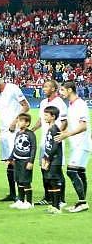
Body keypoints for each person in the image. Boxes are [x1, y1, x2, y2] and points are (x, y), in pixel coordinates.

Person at [0, 76, 30, 202]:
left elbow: (26, 106)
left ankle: (22, 193)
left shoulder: (12, 88)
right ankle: (12, 193)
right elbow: (1, 114)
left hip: (14, 130)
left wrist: (15, 122)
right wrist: (0, 131)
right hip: (5, 131)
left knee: (16, 161)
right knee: (9, 162)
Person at [54, 81, 91, 213]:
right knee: (80, 172)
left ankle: (83, 202)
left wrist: (66, 134)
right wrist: (63, 133)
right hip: (77, 144)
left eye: (62, 90)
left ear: (70, 90)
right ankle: (81, 202)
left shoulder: (80, 104)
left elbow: (83, 126)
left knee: (71, 171)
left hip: (82, 143)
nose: (60, 92)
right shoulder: (71, 105)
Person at [31, 80, 67, 206]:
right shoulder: (43, 102)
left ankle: (61, 199)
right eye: (43, 86)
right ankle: (48, 197)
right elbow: (41, 120)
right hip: (44, 141)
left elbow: (64, 121)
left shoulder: (59, 102)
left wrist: (57, 136)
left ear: (53, 89)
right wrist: (32, 130)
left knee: (56, 170)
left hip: (55, 141)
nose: (44, 88)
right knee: (44, 168)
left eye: (46, 86)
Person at [8, 113, 36, 210]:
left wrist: (31, 161)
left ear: (27, 123)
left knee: (26, 181)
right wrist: (11, 157)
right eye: (18, 121)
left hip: (25, 161)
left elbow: (33, 148)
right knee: (18, 180)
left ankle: (29, 202)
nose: (18, 123)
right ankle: (20, 200)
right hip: (17, 160)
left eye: (21, 121)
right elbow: (15, 146)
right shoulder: (18, 133)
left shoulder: (30, 134)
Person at [41, 106, 64, 214]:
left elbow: (54, 147)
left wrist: (48, 160)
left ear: (53, 116)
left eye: (46, 115)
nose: (44, 117)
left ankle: (57, 206)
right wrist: (45, 158)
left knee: (54, 182)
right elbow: (48, 146)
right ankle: (52, 205)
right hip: (50, 158)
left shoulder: (54, 129)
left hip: (55, 160)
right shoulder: (50, 128)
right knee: (49, 181)